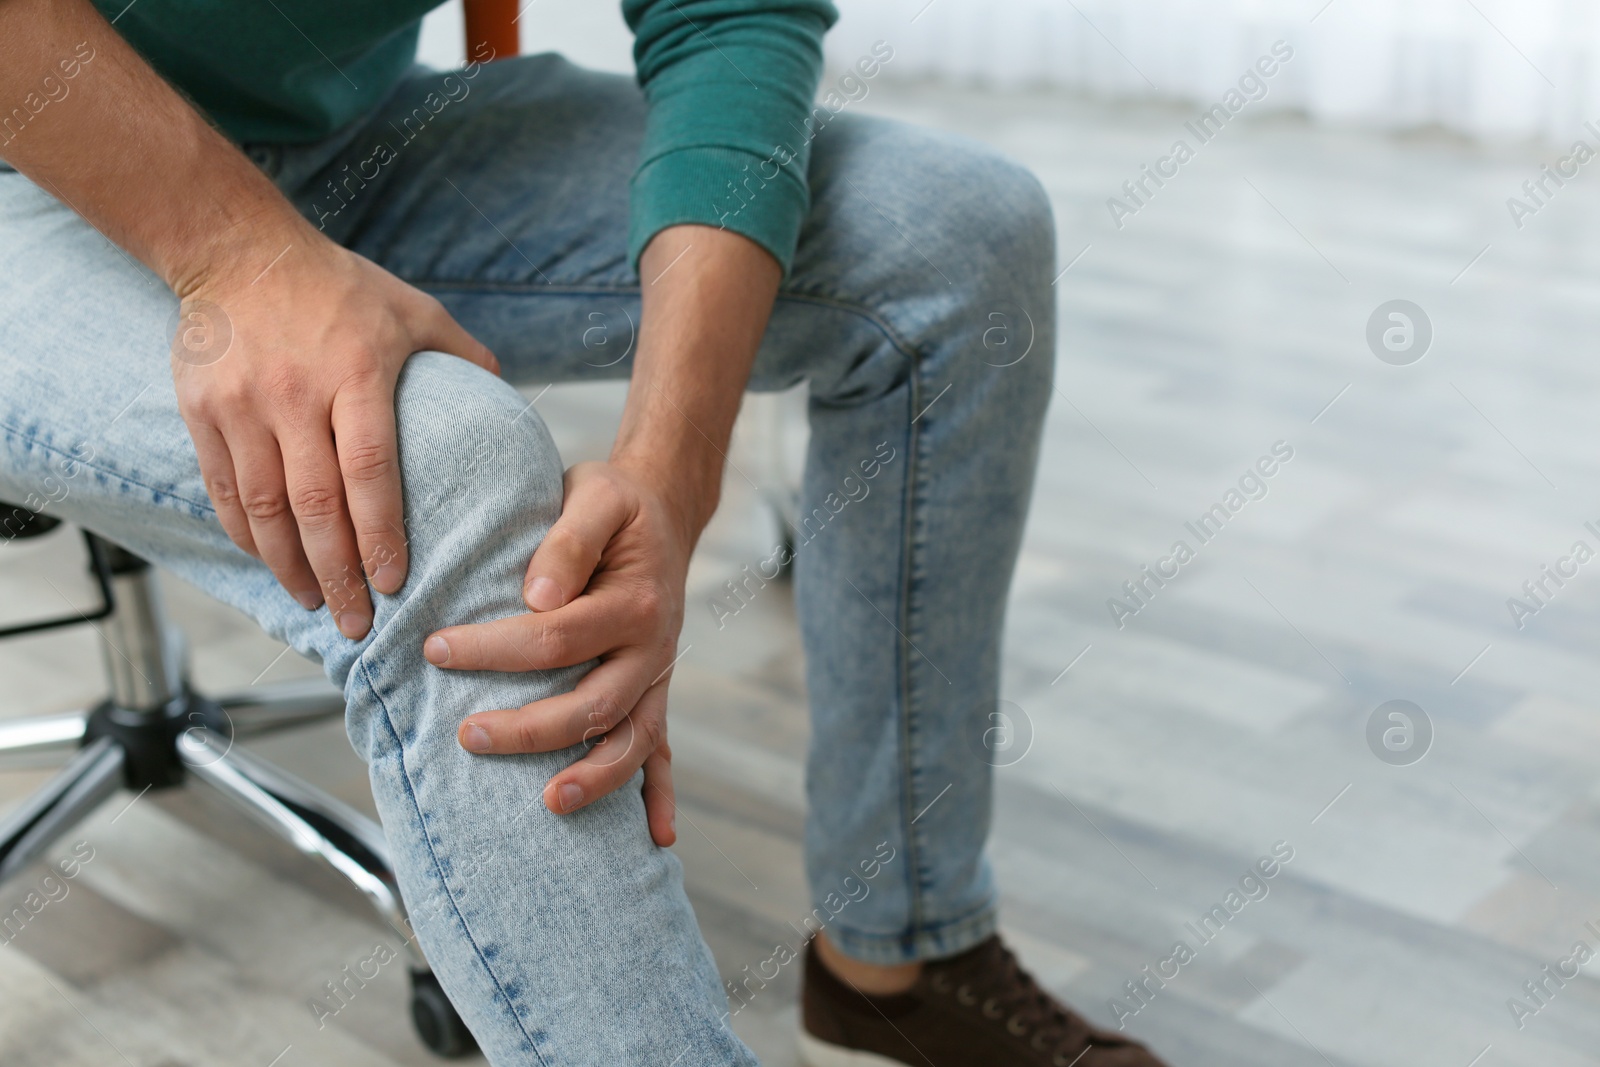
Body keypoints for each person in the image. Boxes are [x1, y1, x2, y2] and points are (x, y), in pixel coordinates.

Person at [0, 0, 1167, 1063]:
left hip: (338, 146)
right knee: (433, 470)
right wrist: (243, 259)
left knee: (963, 236)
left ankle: (900, 962)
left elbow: (729, 16)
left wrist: (670, 467)